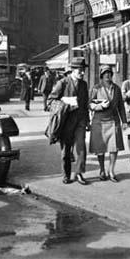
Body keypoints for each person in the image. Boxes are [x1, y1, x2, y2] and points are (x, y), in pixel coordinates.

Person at [47, 57, 89, 185]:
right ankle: (66, 174)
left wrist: (87, 121)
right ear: (73, 70)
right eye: (80, 70)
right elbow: (50, 102)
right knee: (66, 151)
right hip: (65, 122)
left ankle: (79, 173)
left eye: (83, 70)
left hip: (80, 121)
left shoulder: (83, 84)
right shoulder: (63, 83)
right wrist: (64, 101)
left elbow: (85, 104)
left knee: (81, 147)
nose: (82, 73)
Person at [89, 65, 127, 182]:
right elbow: (89, 104)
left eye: (109, 73)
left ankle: (111, 171)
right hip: (99, 122)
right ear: (101, 75)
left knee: (113, 148)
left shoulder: (117, 89)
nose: (107, 75)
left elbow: (121, 106)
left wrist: (124, 121)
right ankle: (102, 170)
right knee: (100, 148)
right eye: (105, 73)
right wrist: (100, 106)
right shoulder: (96, 88)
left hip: (113, 121)